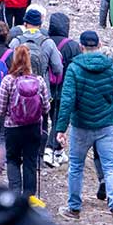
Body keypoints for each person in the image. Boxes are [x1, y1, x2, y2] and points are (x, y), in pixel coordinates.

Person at [53, 29, 113, 225]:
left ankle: (74, 208)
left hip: (81, 126)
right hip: (106, 126)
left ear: (81, 47)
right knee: (110, 167)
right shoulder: (111, 68)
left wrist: (61, 128)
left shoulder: (74, 69)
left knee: (76, 167)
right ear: (99, 46)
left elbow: (67, 100)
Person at [0, 44, 51, 203]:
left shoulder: (7, 81)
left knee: (12, 160)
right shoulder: (39, 81)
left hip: (12, 128)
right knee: (30, 161)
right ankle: (29, 198)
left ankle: (14, 196)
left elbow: (0, 110)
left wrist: (0, 111)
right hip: (33, 128)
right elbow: (46, 107)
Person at [43, 10, 77, 167]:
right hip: (64, 89)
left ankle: (57, 151)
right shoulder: (72, 46)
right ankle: (50, 149)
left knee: (48, 119)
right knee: (59, 120)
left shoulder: (44, 42)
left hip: (45, 88)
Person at [10, 8, 63, 104]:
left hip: (18, 93)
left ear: (25, 24)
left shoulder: (16, 42)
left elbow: (9, 65)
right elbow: (58, 69)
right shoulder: (48, 43)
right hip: (41, 93)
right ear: (40, 25)